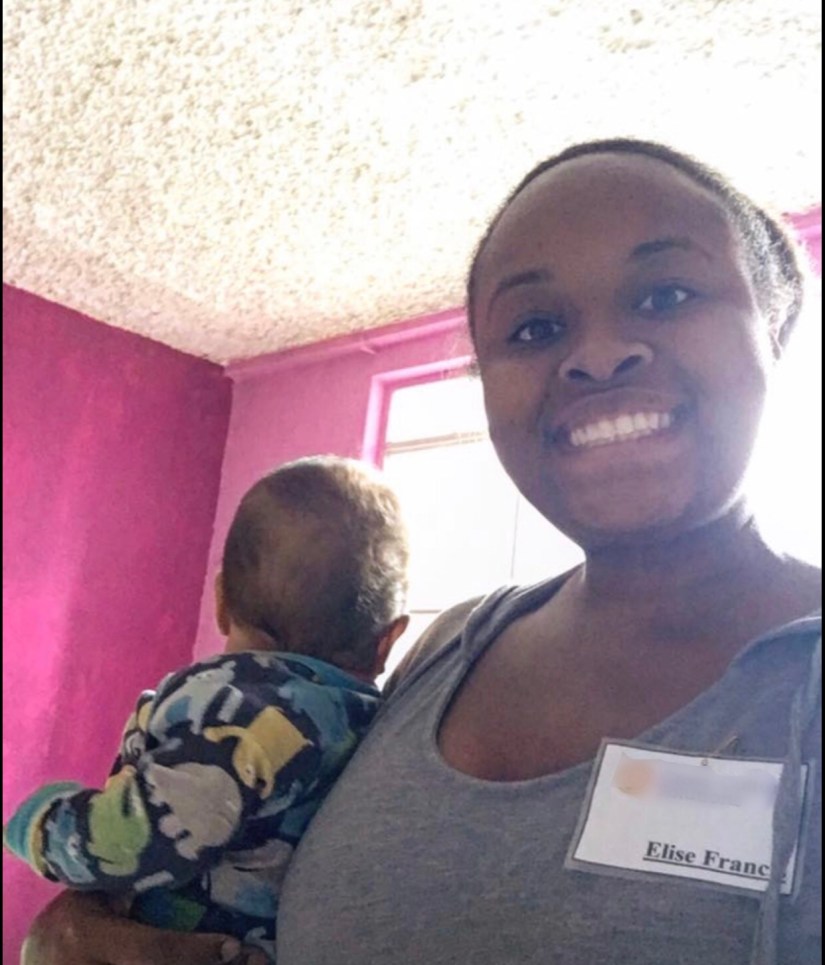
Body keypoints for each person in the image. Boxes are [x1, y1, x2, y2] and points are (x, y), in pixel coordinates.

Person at [21, 138, 821, 965]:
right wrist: (72, 936)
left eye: (665, 294)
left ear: (775, 326)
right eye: (535, 327)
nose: (597, 353)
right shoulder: (446, 649)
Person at [6, 455, 409, 962]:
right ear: (387, 641)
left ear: (219, 600)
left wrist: (38, 824)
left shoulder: (235, 711)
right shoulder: (375, 725)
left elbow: (138, 838)